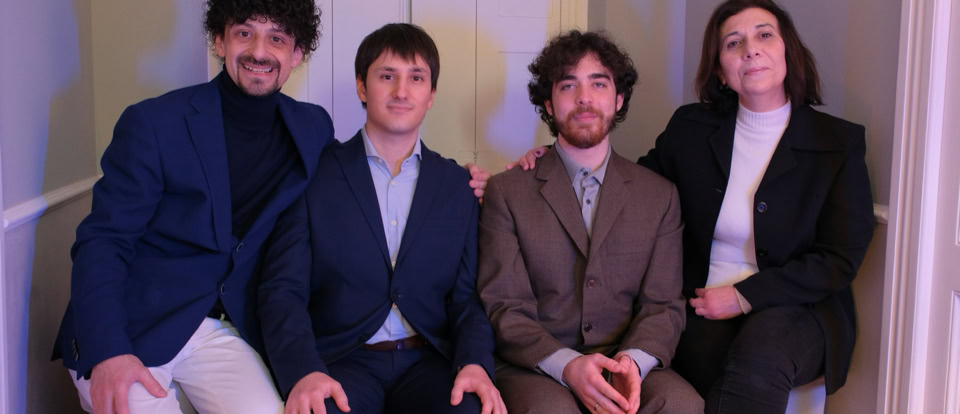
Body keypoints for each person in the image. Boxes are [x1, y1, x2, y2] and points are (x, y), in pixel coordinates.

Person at [52, 2, 491, 412]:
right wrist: (108, 350)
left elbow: (368, 178)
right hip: (136, 321)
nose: (260, 51)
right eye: (245, 33)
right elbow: (102, 241)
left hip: (223, 329)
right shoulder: (154, 122)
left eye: (277, 38)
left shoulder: (310, 129)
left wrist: (468, 181)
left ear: (296, 53)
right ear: (220, 40)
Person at [511, 1, 876, 412]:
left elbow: (839, 258)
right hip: (700, 306)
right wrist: (553, 163)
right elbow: (630, 186)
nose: (751, 50)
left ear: (788, 50)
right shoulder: (691, 128)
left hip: (798, 308)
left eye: (764, 35)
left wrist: (743, 296)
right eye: (733, 43)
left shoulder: (837, 143)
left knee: (759, 361)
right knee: (690, 369)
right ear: (720, 70)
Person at [258, 23, 504, 414]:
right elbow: (282, 289)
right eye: (387, 76)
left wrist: (474, 362)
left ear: (431, 94)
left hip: (430, 360)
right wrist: (303, 370)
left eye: (416, 78)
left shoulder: (458, 186)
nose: (401, 91)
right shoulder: (313, 177)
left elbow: (467, 298)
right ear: (362, 87)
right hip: (341, 360)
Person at [478, 30, 703, 414]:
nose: (584, 97)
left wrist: (631, 363)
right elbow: (505, 306)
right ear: (548, 105)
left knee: (682, 404)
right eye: (568, 85)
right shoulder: (507, 191)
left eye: (598, 83)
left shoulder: (659, 195)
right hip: (536, 364)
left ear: (618, 99)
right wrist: (567, 365)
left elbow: (664, 305)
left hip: (625, 356)